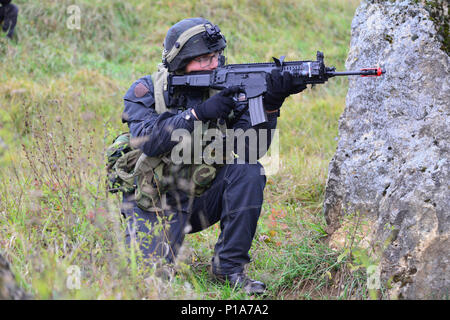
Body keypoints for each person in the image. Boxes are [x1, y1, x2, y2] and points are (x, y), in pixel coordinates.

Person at [119, 17, 306, 295]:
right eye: (204, 59)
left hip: (204, 199)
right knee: (149, 282)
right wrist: (198, 113)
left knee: (248, 170)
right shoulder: (147, 92)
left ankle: (229, 267)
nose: (214, 64)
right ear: (180, 61)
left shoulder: (225, 90)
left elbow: (250, 149)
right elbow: (148, 141)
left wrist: (270, 105)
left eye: (216, 56)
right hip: (156, 204)